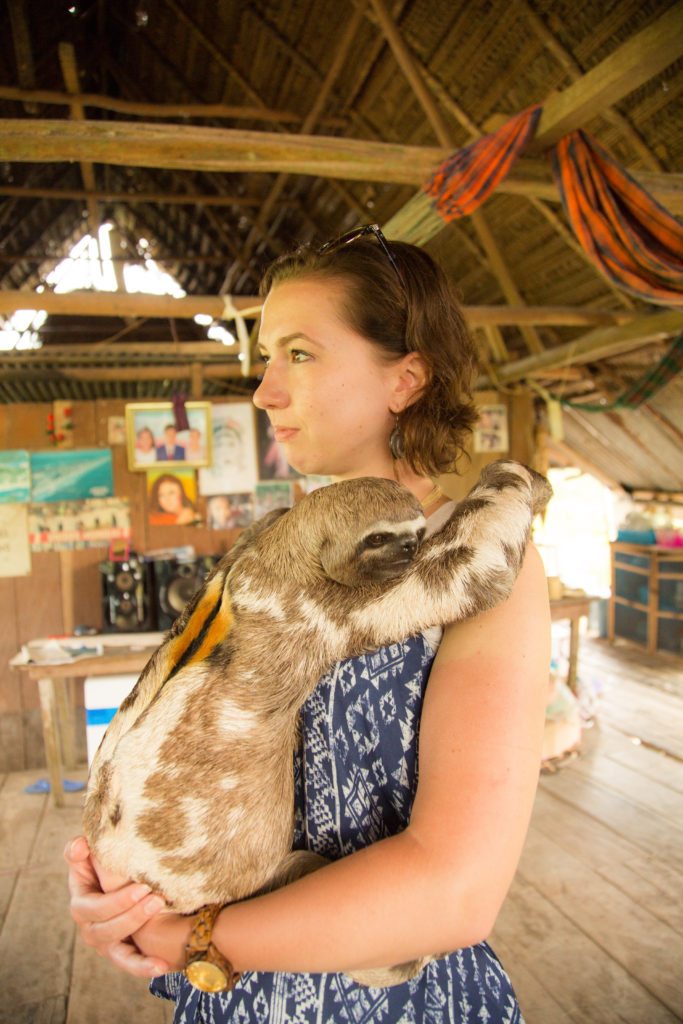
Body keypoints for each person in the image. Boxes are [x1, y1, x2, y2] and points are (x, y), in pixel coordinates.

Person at [66, 226, 550, 1023]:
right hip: (228, 996)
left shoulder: (478, 565)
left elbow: (454, 890)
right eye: (264, 357)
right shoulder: (263, 555)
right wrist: (119, 882)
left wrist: (185, 937)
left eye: (299, 354)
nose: (264, 391)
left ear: (406, 377)